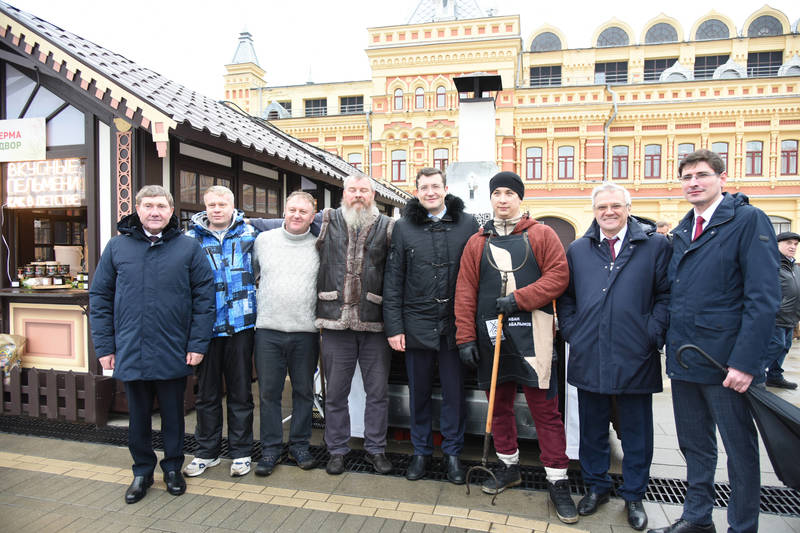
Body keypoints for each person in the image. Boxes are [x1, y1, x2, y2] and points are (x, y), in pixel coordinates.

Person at [650, 149, 780, 533]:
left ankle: (742, 526)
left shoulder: (747, 220)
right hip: (687, 360)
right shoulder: (682, 229)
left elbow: (763, 298)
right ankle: (696, 517)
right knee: (695, 446)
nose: (694, 182)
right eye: (687, 176)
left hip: (727, 365)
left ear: (721, 178)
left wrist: (745, 363)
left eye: (702, 175)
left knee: (739, 451)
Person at [454, 171, 578, 524]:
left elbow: (558, 276)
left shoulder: (541, 234)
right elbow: (465, 291)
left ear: (520, 199)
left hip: (534, 335)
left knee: (545, 411)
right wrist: (464, 337)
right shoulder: (477, 241)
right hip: (491, 336)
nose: (503, 199)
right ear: (490, 199)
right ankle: (509, 466)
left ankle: (557, 479)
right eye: (498, 193)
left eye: (510, 193)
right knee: (500, 406)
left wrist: (520, 300)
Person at [89, 185, 215, 504]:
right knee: (138, 417)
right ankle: (142, 471)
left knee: (174, 415)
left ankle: (172, 468)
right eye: (148, 206)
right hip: (131, 347)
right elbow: (100, 298)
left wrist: (197, 344)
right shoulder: (117, 247)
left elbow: (205, 300)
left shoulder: (188, 249)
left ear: (171, 211)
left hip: (175, 348)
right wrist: (104, 348)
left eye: (161, 205)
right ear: (137, 210)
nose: (154, 211)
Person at [557, 183, 670, 531]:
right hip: (589, 353)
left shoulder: (654, 246)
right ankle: (596, 487)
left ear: (628, 208)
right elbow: (567, 298)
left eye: (616, 206)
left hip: (635, 355)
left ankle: (634, 494)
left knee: (636, 432)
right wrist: (574, 331)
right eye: (602, 206)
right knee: (592, 430)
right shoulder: (578, 249)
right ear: (594, 210)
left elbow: (667, 295)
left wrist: (651, 333)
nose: (609, 211)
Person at [383, 167, 478, 484]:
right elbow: (393, 280)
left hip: (455, 326)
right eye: (424, 188)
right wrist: (394, 327)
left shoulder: (467, 223)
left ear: (446, 188)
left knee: (455, 395)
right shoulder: (404, 227)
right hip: (416, 324)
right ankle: (421, 453)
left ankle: (452, 455)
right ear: (417, 191)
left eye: (435, 187)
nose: (430, 192)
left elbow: (478, 274)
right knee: (419, 394)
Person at [316, 175, 395, 476]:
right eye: (353, 190)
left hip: (375, 323)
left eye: (364, 190)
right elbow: (288, 225)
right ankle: (336, 449)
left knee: (377, 393)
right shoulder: (325, 220)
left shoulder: (388, 226)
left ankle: (376, 449)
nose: (358, 195)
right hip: (335, 323)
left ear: (373, 194)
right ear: (343, 193)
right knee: (336, 393)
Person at [183, 185, 257, 478]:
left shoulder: (250, 234)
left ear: (232, 206)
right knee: (207, 394)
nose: (217, 209)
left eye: (222, 204)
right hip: (206, 326)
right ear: (205, 207)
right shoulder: (190, 240)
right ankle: (206, 452)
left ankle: (241, 452)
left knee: (241, 393)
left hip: (242, 324)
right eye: (212, 204)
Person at [251, 191, 320, 476]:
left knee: (304, 391)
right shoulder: (263, 242)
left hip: (306, 331)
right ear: (284, 210)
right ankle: (270, 449)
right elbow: (254, 274)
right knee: (269, 393)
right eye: (292, 210)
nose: (296, 215)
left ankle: (300, 445)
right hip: (268, 329)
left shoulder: (320, 246)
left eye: (303, 212)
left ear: (312, 217)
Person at [764, 231, 800, 389]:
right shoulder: (771, 264)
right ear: (777, 244)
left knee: (784, 346)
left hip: (791, 316)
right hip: (775, 316)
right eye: (788, 243)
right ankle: (753, 373)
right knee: (775, 345)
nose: (793, 247)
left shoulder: (794, 267)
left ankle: (774, 376)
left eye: (795, 244)